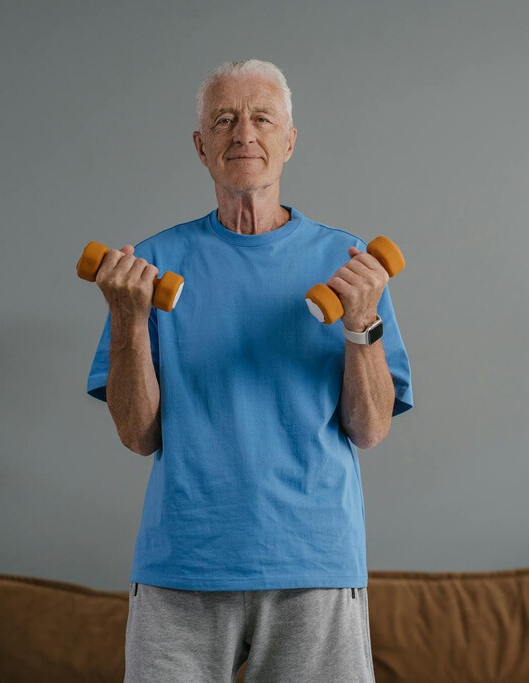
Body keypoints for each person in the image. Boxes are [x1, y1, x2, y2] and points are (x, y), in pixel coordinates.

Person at [85, 59, 413, 683]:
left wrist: (361, 322)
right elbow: (138, 435)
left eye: (262, 118)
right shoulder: (150, 267)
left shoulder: (350, 265)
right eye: (225, 120)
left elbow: (369, 429)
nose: (244, 135)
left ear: (289, 140)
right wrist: (129, 319)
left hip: (313, 561)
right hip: (183, 562)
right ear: (201, 146)